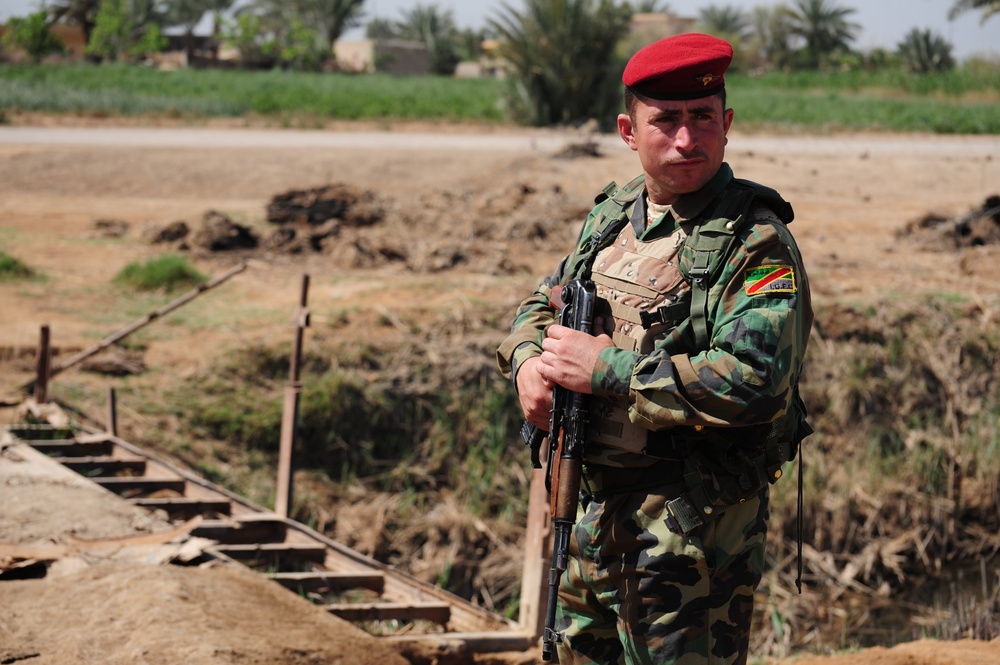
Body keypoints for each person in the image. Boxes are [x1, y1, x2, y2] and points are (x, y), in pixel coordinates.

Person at [496, 33, 813, 665]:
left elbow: (754, 383)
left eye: (702, 120)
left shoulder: (755, 243)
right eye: (665, 121)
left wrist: (605, 370)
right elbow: (542, 302)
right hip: (587, 517)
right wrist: (529, 361)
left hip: (687, 540)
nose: (686, 140)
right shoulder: (613, 219)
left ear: (727, 126)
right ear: (627, 130)